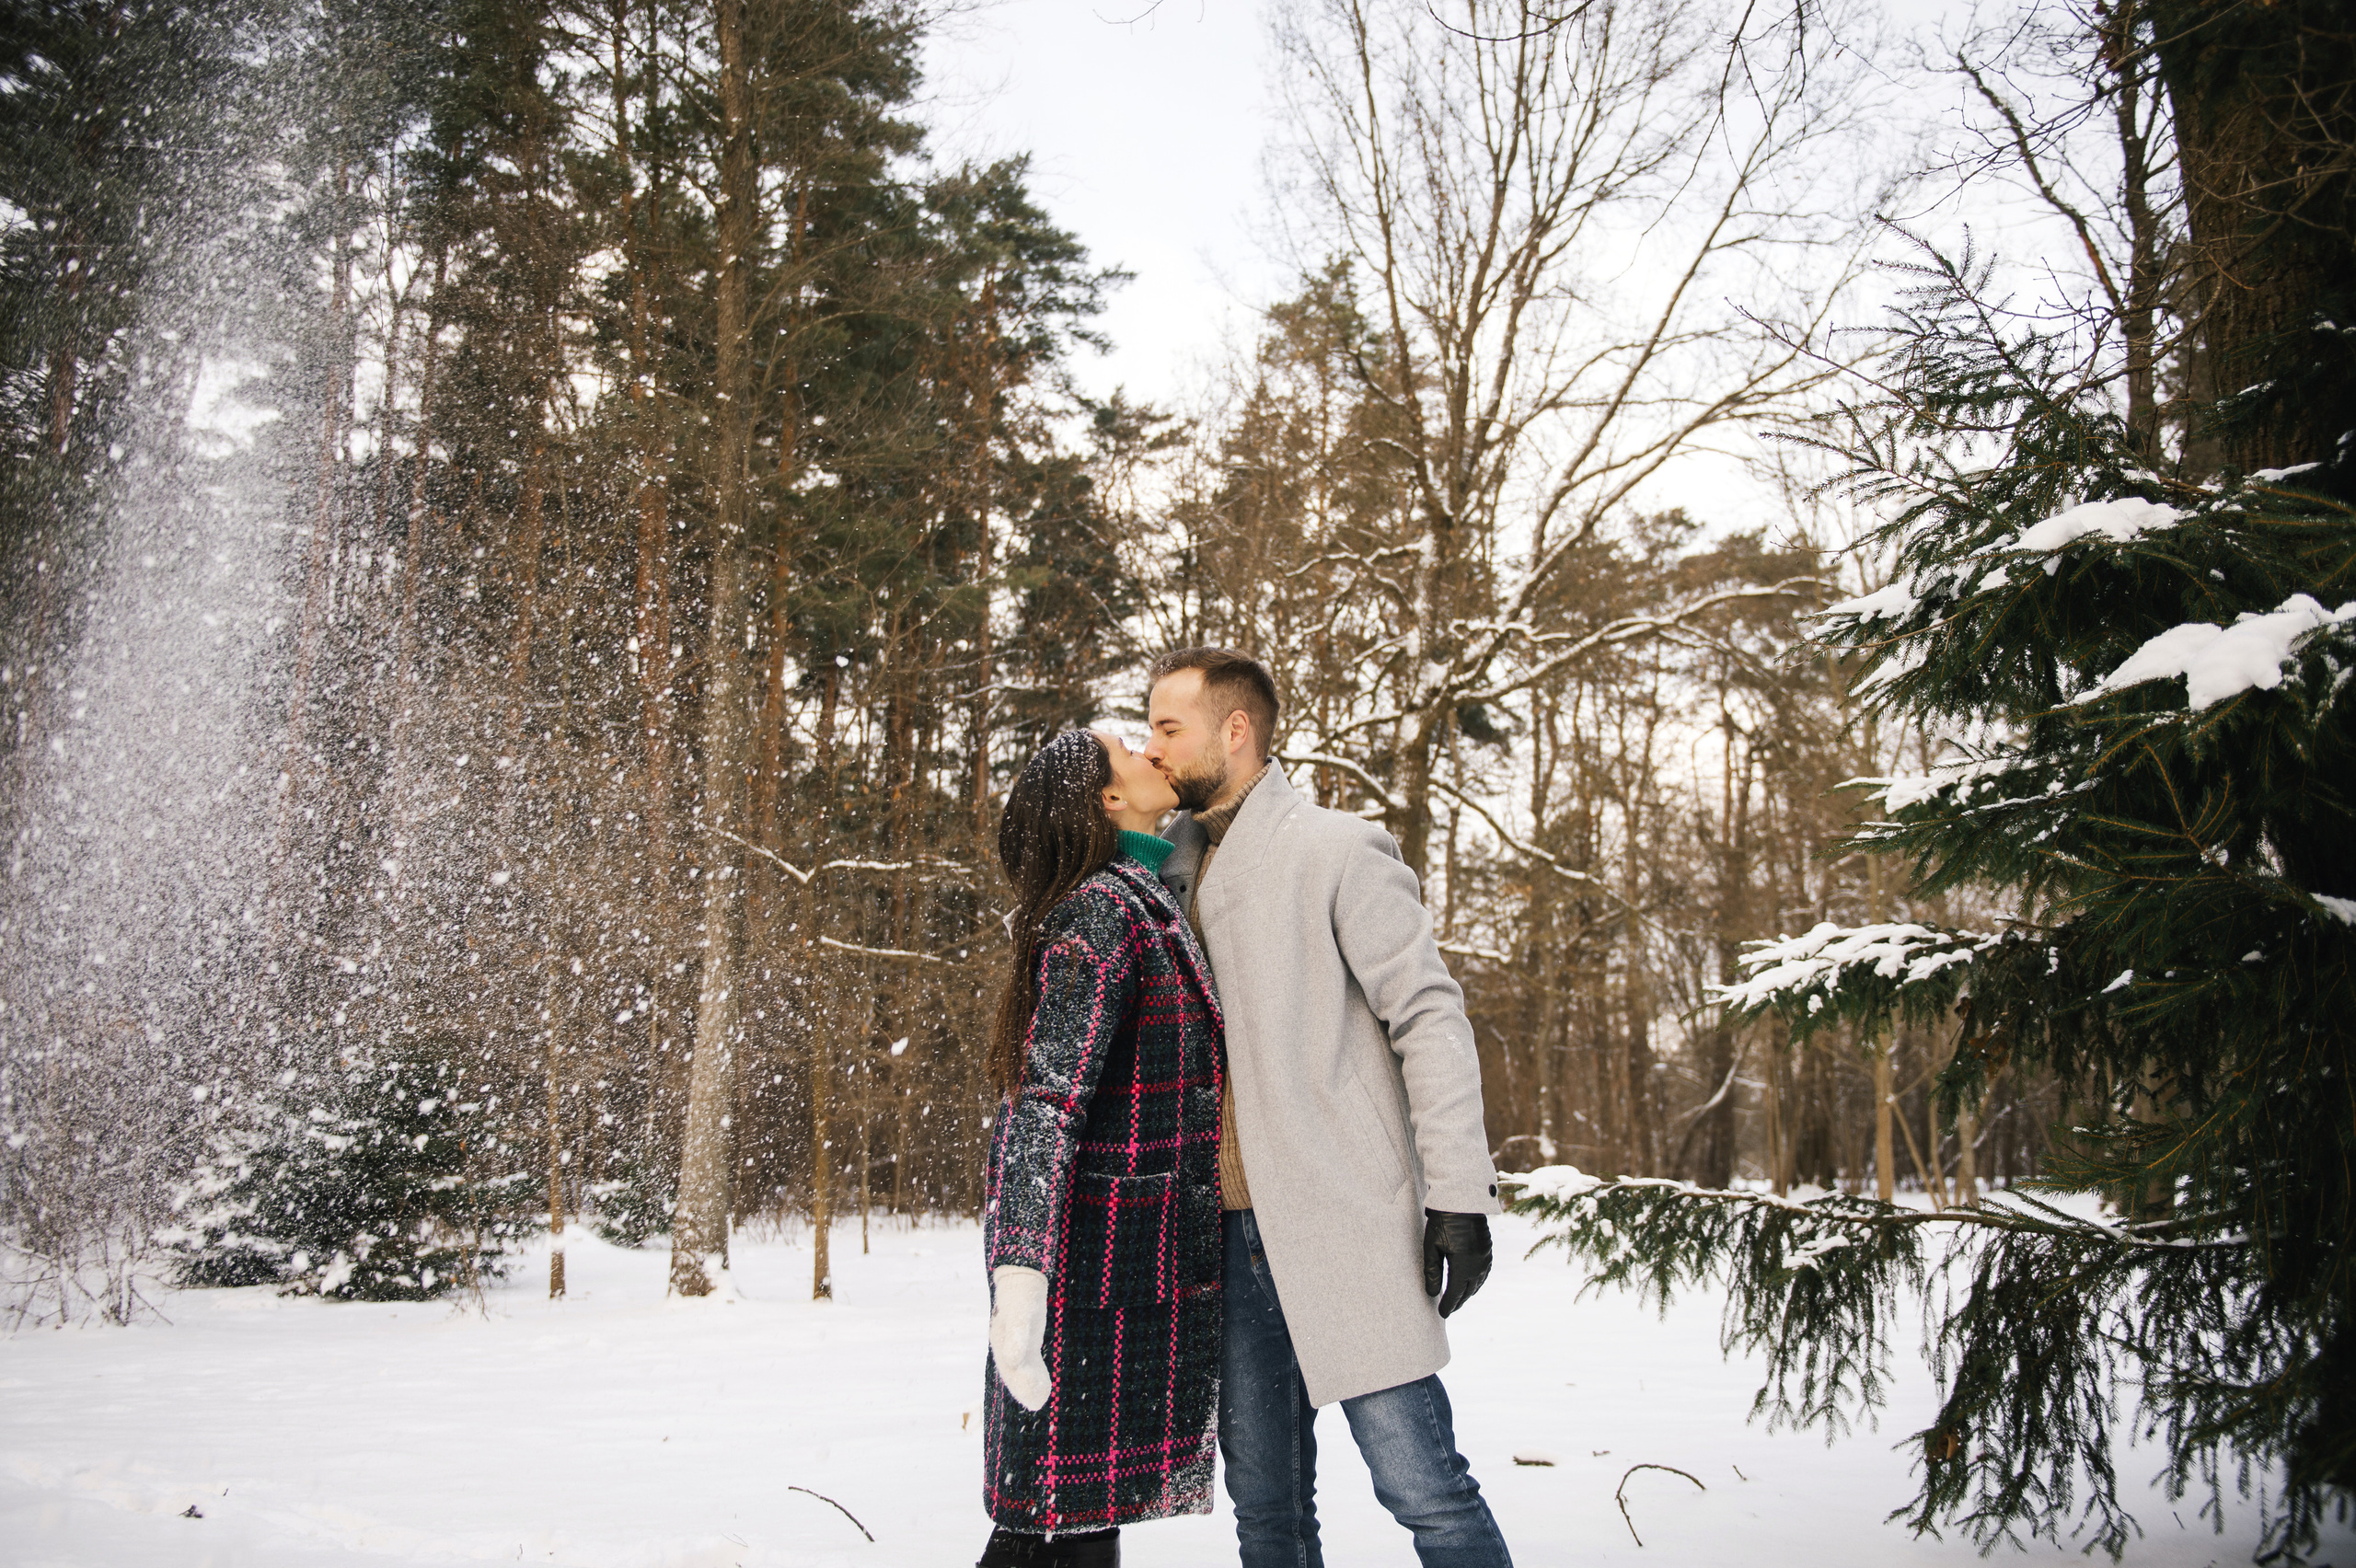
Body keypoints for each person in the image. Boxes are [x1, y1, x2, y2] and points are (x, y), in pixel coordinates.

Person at [1142, 647, 1513, 1568]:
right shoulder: (1160, 874)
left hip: (1344, 1220)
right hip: (1220, 1239)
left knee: (1426, 1492)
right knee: (1266, 1513)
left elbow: (1428, 1015)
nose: (1152, 749)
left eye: (1168, 728)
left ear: (1235, 730)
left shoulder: (1338, 848)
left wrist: (1458, 1196)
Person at [976, 728, 1227, 1568]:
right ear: (1109, 800)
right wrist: (1021, 1275)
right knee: (1049, 1529)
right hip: (1089, 1276)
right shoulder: (1098, 915)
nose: (1150, 751)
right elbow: (1044, 1106)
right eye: (1127, 749)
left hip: (1128, 1267)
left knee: (1080, 1526)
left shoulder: (1140, 897)